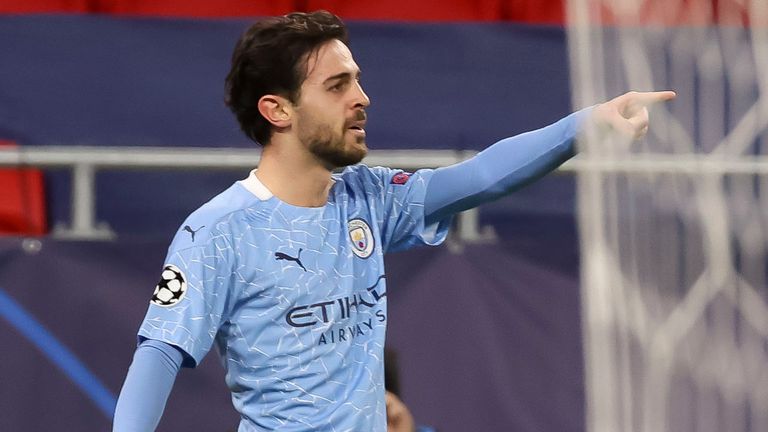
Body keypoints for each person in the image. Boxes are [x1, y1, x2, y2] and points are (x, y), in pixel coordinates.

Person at [112, 10, 675, 432]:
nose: (362, 98)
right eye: (337, 86)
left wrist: (590, 123)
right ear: (277, 109)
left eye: (355, 79)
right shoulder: (217, 232)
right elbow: (160, 352)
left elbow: (481, 177)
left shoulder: (369, 197)